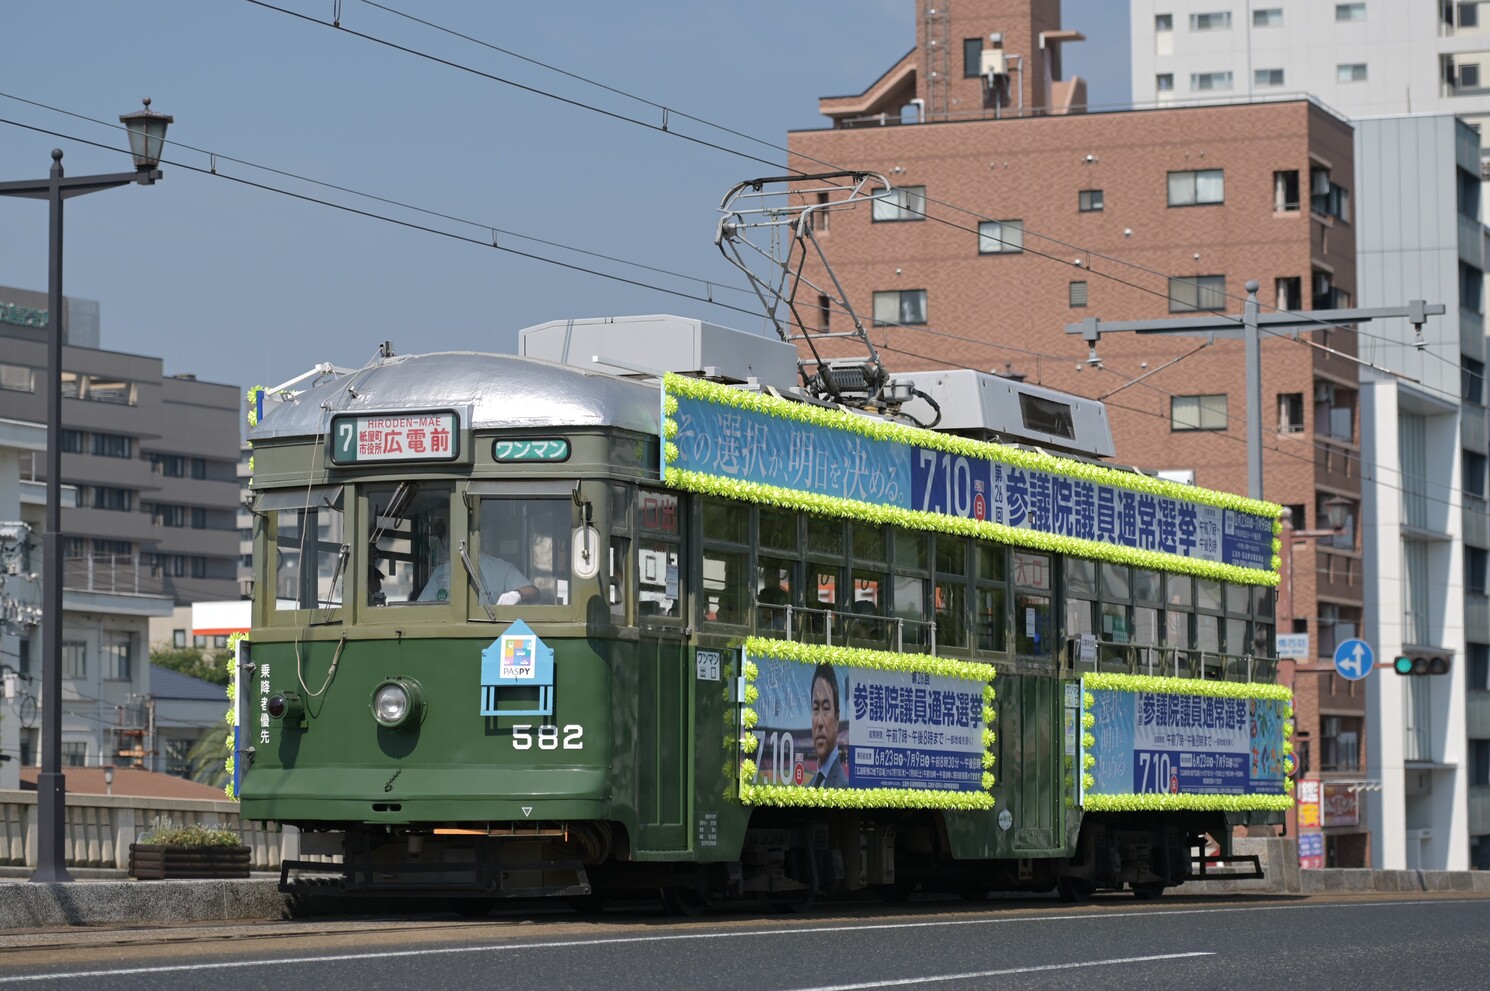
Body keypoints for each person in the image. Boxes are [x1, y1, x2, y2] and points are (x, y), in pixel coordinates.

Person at [416, 545, 539, 605]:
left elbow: (534, 592)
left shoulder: (500, 567)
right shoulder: (441, 571)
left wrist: (517, 594)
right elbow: (421, 607)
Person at [809, 662, 848, 788]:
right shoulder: (809, 786)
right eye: (815, 708)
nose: (819, 722)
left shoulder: (844, 787)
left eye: (826, 708)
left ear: (837, 718)